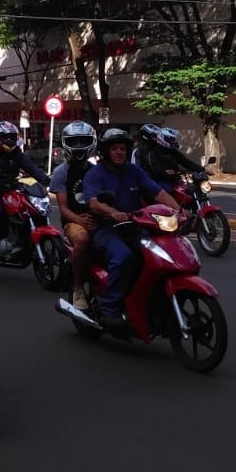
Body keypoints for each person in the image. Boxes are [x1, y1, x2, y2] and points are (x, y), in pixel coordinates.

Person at [82, 127, 180, 330]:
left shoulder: (134, 171)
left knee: (159, 257)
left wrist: (179, 210)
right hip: (106, 229)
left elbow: (157, 192)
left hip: (134, 227)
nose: (119, 152)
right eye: (115, 149)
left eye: (123, 149)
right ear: (106, 151)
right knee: (124, 258)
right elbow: (93, 203)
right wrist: (112, 213)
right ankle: (110, 309)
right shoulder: (95, 174)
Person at [0, 121, 49, 250]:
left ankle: (19, 238)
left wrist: (46, 180)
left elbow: (31, 167)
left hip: (9, 188)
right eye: (5, 137)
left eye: (12, 137)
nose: (9, 140)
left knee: (27, 207)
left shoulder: (16, 153)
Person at [49, 120, 98, 311]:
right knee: (83, 239)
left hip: (99, 219)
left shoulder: (96, 171)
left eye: (82, 141)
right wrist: (80, 220)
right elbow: (63, 208)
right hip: (73, 223)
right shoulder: (61, 173)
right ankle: (78, 288)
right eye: (74, 141)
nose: (78, 146)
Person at [132, 123, 204, 192]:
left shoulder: (163, 150)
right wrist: (165, 172)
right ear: (146, 136)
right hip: (152, 182)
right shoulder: (140, 151)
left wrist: (201, 169)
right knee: (168, 190)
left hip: (170, 179)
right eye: (154, 136)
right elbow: (142, 170)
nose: (156, 138)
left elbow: (185, 161)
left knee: (188, 190)